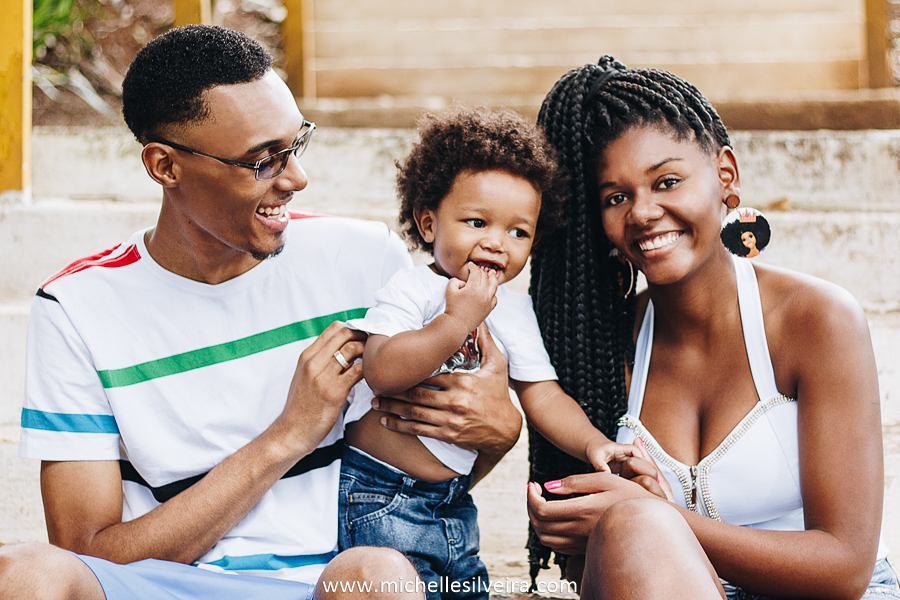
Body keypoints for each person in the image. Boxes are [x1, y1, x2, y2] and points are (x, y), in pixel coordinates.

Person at [0, 25, 521, 600]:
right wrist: (288, 436)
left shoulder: (366, 260)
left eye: (295, 146)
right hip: (165, 586)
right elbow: (86, 553)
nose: (297, 178)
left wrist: (498, 434)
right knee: (25, 573)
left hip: (336, 583)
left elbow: (427, 467)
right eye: (263, 161)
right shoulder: (76, 307)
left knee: (380, 575)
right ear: (165, 166)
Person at [525, 56, 900, 599]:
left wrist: (652, 513)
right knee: (633, 530)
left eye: (667, 181)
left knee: (639, 522)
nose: (643, 212)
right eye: (616, 197)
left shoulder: (813, 320)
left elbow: (844, 568)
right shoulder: (604, 345)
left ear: (726, 174)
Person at [338, 107, 637, 599]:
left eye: (518, 232)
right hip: (377, 496)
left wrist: (592, 445)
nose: (497, 243)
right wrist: (457, 321)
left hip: (454, 502)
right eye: (477, 222)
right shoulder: (415, 291)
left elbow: (543, 395)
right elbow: (382, 369)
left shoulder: (514, 312)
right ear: (429, 222)